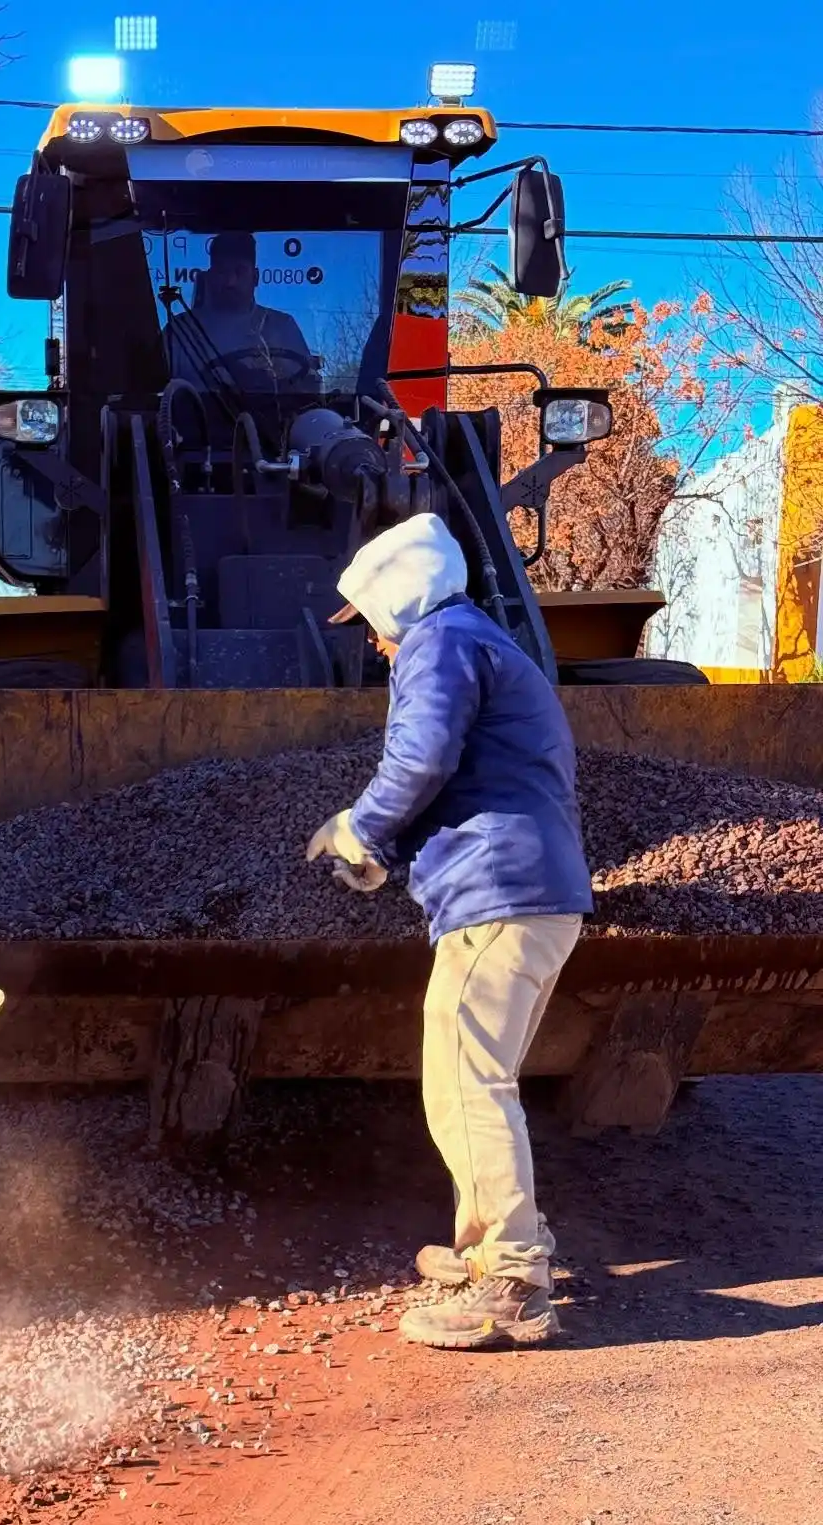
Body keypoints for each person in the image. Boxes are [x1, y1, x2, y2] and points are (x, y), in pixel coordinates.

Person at [305, 513, 593, 1351]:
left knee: (470, 1081)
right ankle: (495, 1247)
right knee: (470, 1076)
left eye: (370, 626)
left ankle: (511, 1282)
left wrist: (359, 828)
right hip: (533, 891)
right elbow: (457, 768)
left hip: (498, 894)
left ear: (399, 600)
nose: (374, 647)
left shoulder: (438, 641)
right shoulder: (485, 642)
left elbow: (422, 755)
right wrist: (384, 844)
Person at [164, 230, 320, 396]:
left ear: (255, 277)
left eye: (240, 271)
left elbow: (308, 394)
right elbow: (151, 398)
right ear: (210, 276)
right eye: (222, 271)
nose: (230, 281)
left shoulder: (281, 327)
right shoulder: (179, 332)